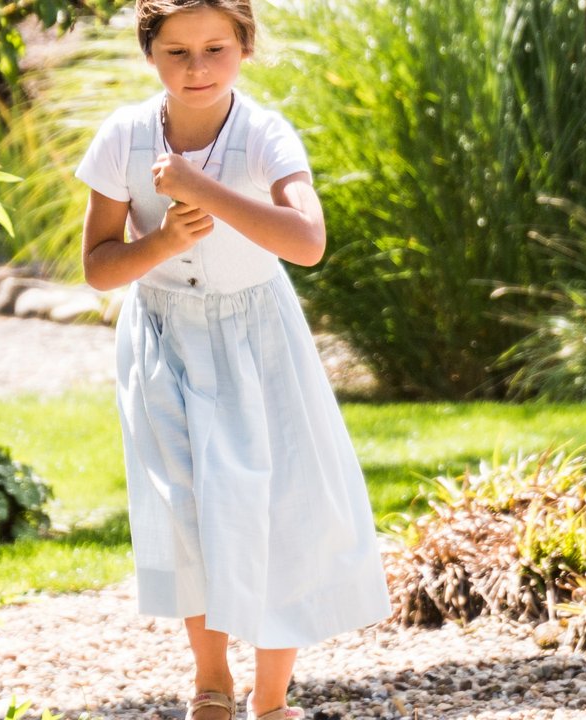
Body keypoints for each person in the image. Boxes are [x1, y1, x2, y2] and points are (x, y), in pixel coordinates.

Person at [74, 2, 391, 718]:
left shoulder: (264, 135)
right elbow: (97, 266)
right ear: (149, 54)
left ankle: (270, 701)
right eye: (177, 51)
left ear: (245, 47)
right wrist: (160, 243)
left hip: (259, 339)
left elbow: (307, 242)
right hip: (163, 341)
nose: (197, 68)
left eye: (216, 47)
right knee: (188, 513)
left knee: (280, 509)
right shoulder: (123, 136)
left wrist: (201, 189)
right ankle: (210, 686)